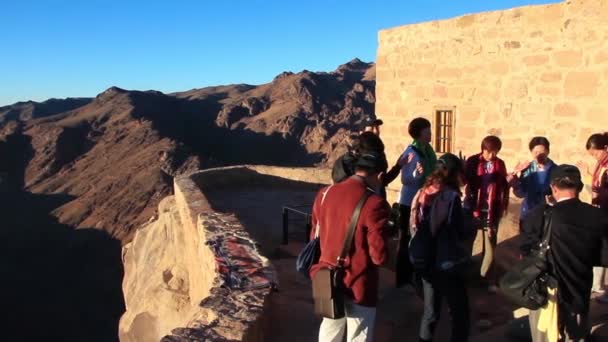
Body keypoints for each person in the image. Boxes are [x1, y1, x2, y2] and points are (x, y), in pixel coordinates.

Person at [520, 164, 608, 341]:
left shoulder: (538, 216)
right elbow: (605, 257)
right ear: (580, 188)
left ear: (553, 187)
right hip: (578, 294)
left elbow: (525, 251)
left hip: (543, 296)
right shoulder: (597, 216)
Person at [311, 151, 391, 342]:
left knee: (330, 331)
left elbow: (315, 235)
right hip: (359, 282)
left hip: (327, 277)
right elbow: (378, 256)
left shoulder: (325, 193)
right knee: (358, 335)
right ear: (379, 176)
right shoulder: (375, 203)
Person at [409, 153, 471, 342]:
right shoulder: (450, 196)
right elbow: (458, 229)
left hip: (425, 260)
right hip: (446, 262)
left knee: (431, 311)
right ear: (454, 173)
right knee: (460, 313)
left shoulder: (422, 191)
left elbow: (414, 225)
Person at [395, 117, 437, 288]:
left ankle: (417, 276)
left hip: (423, 200)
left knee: (419, 239)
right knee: (406, 239)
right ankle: (403, 278)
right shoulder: (411, 152)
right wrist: (417, 175)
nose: (430, 134)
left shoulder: (428, 151)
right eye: (427, 131)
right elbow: (405, 178)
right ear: (420, 134)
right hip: (409, 202)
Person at [463, 135, 509, 291]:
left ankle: (486, 279)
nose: (493, 155)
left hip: (492, 209)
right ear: (484, 150)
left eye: (496, 152)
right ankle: (465, 275)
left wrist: (509, 180)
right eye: (491, 152)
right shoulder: (473, 161)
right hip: (473, 208)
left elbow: (503, 185)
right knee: (468, 243)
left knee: (489, 247)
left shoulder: (499, 164)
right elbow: (466, 182)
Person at [577, 132, 608, 301]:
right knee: (600, 247)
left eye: (596, 153)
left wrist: (600, 192)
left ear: (605, 148)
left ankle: (600, 288)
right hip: (599, 210)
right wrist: (588, 173)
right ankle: (598, 286)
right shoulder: (600, 165)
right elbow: (596, 187)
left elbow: (602, 189)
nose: (595, 157)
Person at [508, 137, 555, 230]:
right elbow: (521, 194)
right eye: (535, 152)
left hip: (547, 216)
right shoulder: (527, 169)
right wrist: (515, 183)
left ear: (548, 151)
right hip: (528, 215)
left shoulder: (556, 170)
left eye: (542, 152)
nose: (538, 155)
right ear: (531, 153)